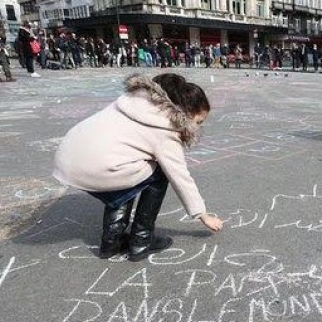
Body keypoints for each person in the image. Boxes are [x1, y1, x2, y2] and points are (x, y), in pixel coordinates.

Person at [53, 73, 224, 261]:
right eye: (197, 122)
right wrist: (203, 215)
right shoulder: (166, 127)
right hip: (98, 167)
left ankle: (111, 242)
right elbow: (180, 176)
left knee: (129, 164)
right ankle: (141, 241)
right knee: (159, 170)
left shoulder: (133, 101)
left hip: (68, 159)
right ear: (183, 112)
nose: (197, 128)